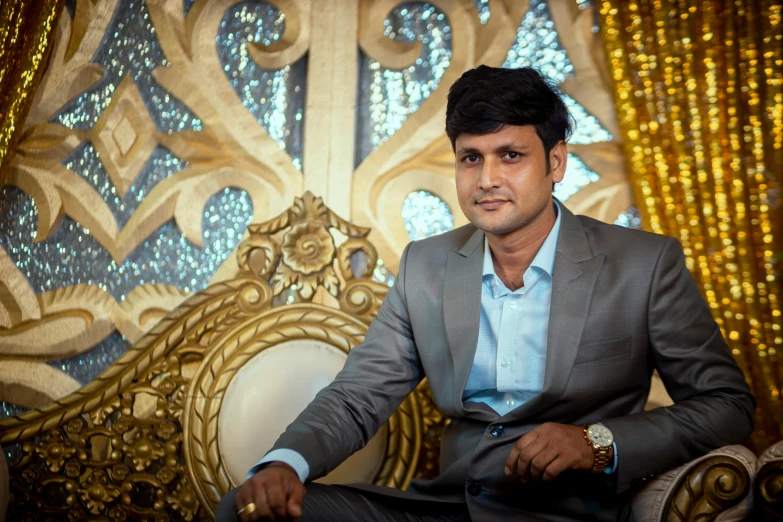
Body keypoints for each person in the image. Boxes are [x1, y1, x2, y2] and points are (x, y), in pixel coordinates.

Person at [216, 66, 754, 522]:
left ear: (556, 163)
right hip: (451, 507)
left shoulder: (643, 264)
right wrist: (283, 464)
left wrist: (596, 442)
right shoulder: (425, 266)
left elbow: (726, 405)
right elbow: (360, 396)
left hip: (570, 512)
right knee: (243, 510)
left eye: (510, 156)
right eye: (471, 158)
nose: (487, 179)